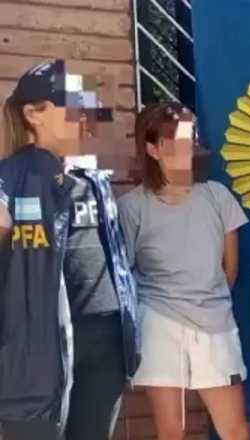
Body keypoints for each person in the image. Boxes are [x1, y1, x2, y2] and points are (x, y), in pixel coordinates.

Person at [0, 60, 140, 440]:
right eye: (74, 104)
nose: (86, 117)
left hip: (107, 349)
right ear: (33, 114)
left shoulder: (95, 182)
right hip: (36, 357)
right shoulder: (9, 175)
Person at [118, 103, 250, 440]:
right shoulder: (131, 206)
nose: (186, 147)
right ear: (152, 149)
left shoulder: (218, 196)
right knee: (170, 431)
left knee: (235, 429)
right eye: (174, 141)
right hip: (157, 325)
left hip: (215, 324)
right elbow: (124, 276)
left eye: (189, 138)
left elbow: (230, 270)